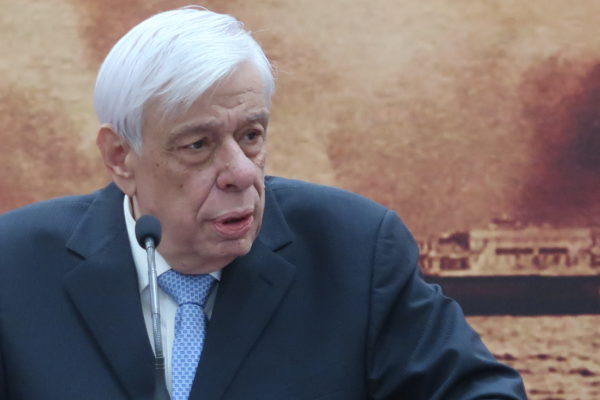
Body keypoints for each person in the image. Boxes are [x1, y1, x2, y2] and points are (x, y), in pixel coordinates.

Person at [0, 6, 527, 400]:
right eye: (198, 145)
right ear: (120, 157)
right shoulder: (13, 267)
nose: (242, 173)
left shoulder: (356, 251)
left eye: (251, 136)